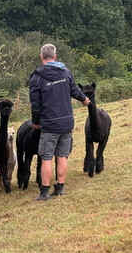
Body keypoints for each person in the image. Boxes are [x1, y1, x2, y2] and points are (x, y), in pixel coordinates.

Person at [29, 44, 90, 200]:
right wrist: (84, 99)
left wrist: (35, 122)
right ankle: (60, 188)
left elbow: (35, 104)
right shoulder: (66, 72)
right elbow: (75, 91)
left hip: (49, 124)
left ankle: (44, 192)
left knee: (46, 158)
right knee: (62, 156)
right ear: (55, 56)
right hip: (67, 122)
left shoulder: (36, 78)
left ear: (42, 57)